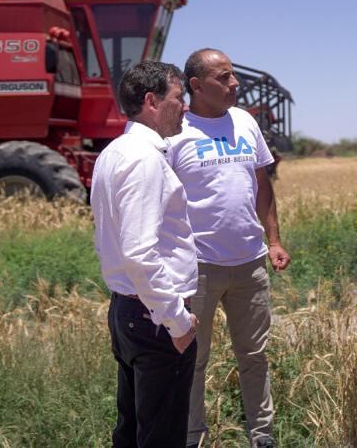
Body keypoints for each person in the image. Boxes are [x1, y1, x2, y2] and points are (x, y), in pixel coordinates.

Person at [167, 48, 290, 448]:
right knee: (192, 361)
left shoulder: (245, 123)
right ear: (197, 86)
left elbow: (262, 185)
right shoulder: (174, 133)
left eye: (233, 75)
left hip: (250, 264)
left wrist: (273, 241)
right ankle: (191, 438)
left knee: (254, 356)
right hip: (196, 268)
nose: (234, 84)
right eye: (223, 78)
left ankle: (262, 436)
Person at [91, 60, 200, 448]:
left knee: (133, 430)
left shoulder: (115, 152)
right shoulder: (144, 158)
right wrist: (176, 321)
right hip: (153, 317)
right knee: (161, 436)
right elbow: (140, 253)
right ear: (152, 102)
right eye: (179, 97)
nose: (186, 106)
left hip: (128, 310)